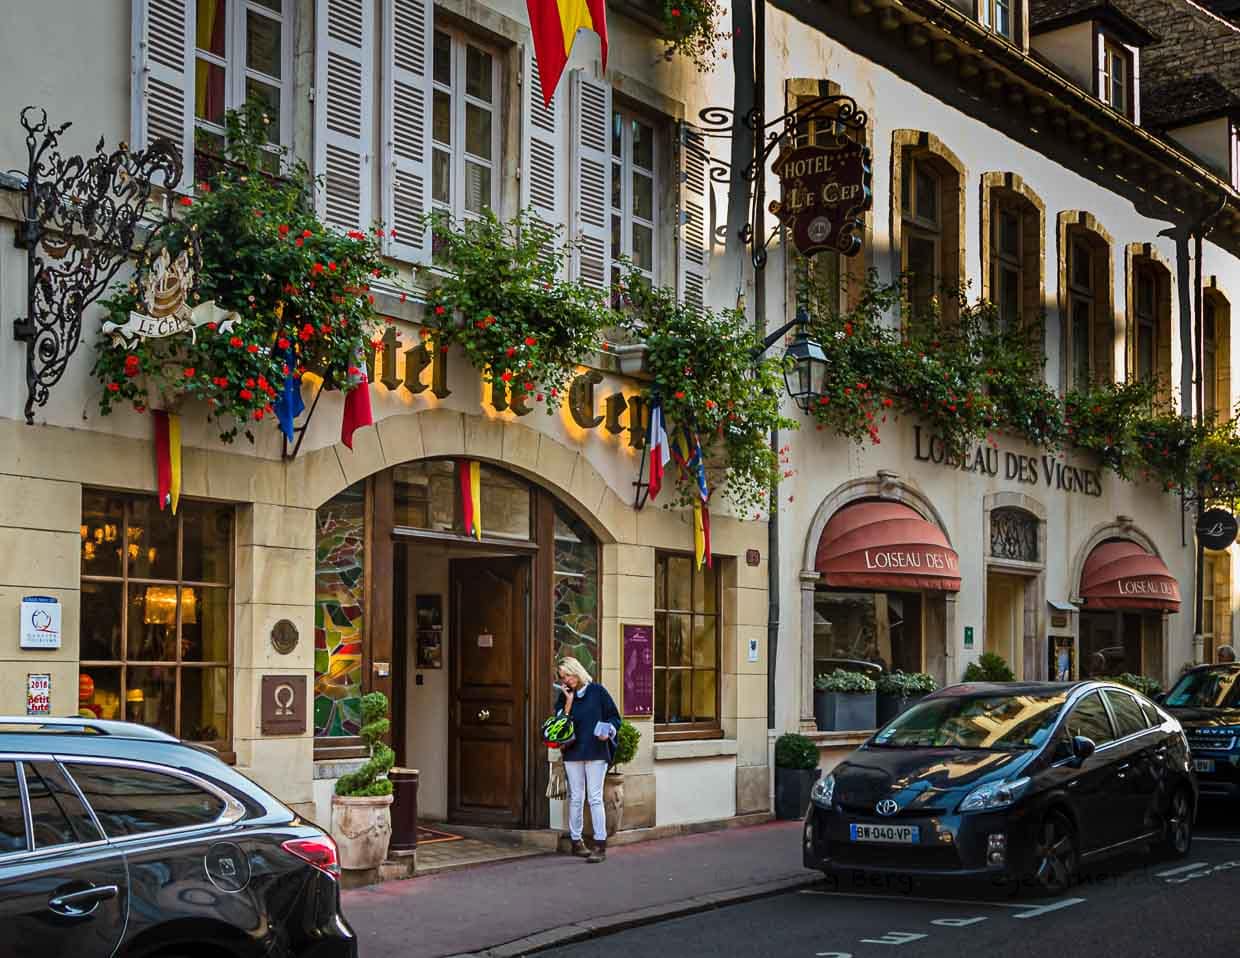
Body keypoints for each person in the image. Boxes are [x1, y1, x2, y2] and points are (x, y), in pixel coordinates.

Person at [554, 656, 621, 863]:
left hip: (595, 751)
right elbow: (559, 725)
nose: (566, 680)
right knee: (576, 797)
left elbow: (614, 717)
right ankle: (576, 841)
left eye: (568, 675)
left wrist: (607, 731)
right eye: (562, 677)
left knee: (594, 797)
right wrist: (568, 702)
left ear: (577, 672)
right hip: (573, 752)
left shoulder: (597, 691)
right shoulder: (564, 696)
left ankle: (600, 844)